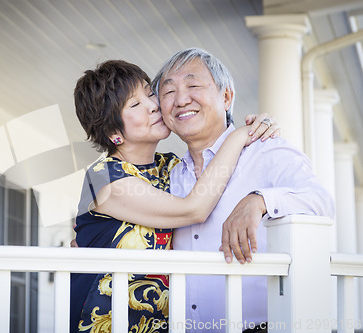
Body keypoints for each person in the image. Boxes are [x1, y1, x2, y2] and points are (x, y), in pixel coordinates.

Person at [70, 59, 279, 333]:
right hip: (105, 323)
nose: (153, 105)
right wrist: (240, 136)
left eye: (149, 93)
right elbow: (194, 209)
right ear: (113, 133)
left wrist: (261, 130)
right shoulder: (103, 178)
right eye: (135, 105)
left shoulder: (171, 167)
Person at [151, 47, 335, 332]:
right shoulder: (170, 175)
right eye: (168, 92)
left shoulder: (266, 150)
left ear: (227, 97)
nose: (181, 100)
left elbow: (321, 202)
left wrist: (260, 200)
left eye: (193, 85)